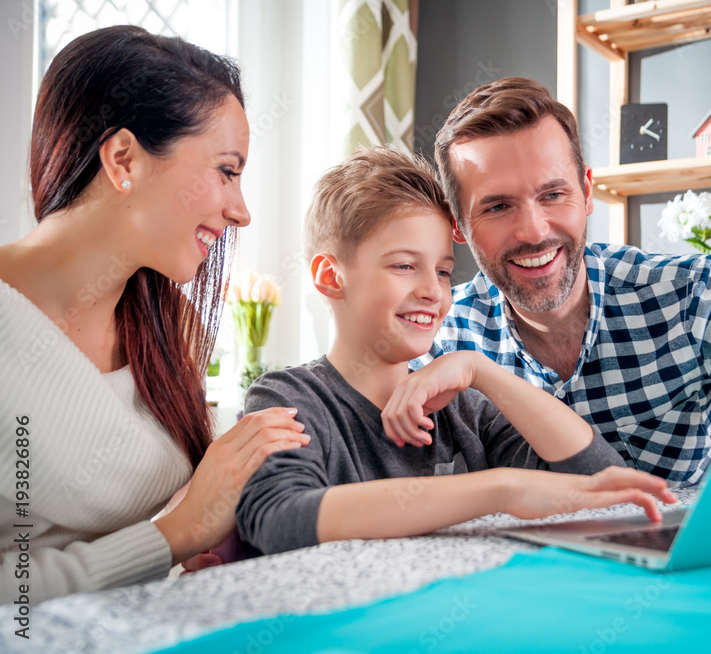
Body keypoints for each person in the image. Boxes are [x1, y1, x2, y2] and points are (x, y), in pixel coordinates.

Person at [235, 147, 675, 556]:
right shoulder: (290, 400)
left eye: (443, 271)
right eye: (405, 265)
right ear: (332, 277)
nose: (433, 291)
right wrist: (500, 490)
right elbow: (277, 519)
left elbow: (595, 485)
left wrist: (480, 369)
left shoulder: (463, 410)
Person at [0, 26, 310, 604]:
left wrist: (203, 547)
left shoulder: (171, 330)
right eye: (226, 170)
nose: (241, 211)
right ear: (124, 160)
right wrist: (172, 537)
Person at [414, 77, 711, 487]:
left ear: (587, 191)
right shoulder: (440, 336)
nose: (534, 232)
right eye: (498, 206)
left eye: (553, 194)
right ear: (458, 225)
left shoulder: (693, 296)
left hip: (692, 546)